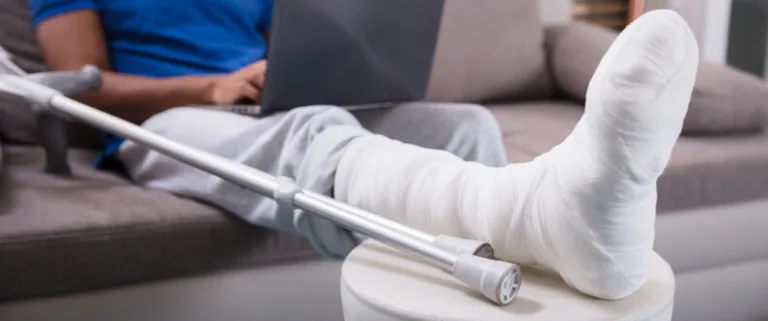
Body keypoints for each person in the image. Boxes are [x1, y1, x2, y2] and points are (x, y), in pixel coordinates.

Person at [29, 0, 699, 301]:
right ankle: (542, 220)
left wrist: (336, 70)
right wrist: (212, 87)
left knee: (464, 126)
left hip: (266, 105)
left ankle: (526, 254)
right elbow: (88, 84)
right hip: (166, 122)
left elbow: (286, 56)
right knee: (312, 128)